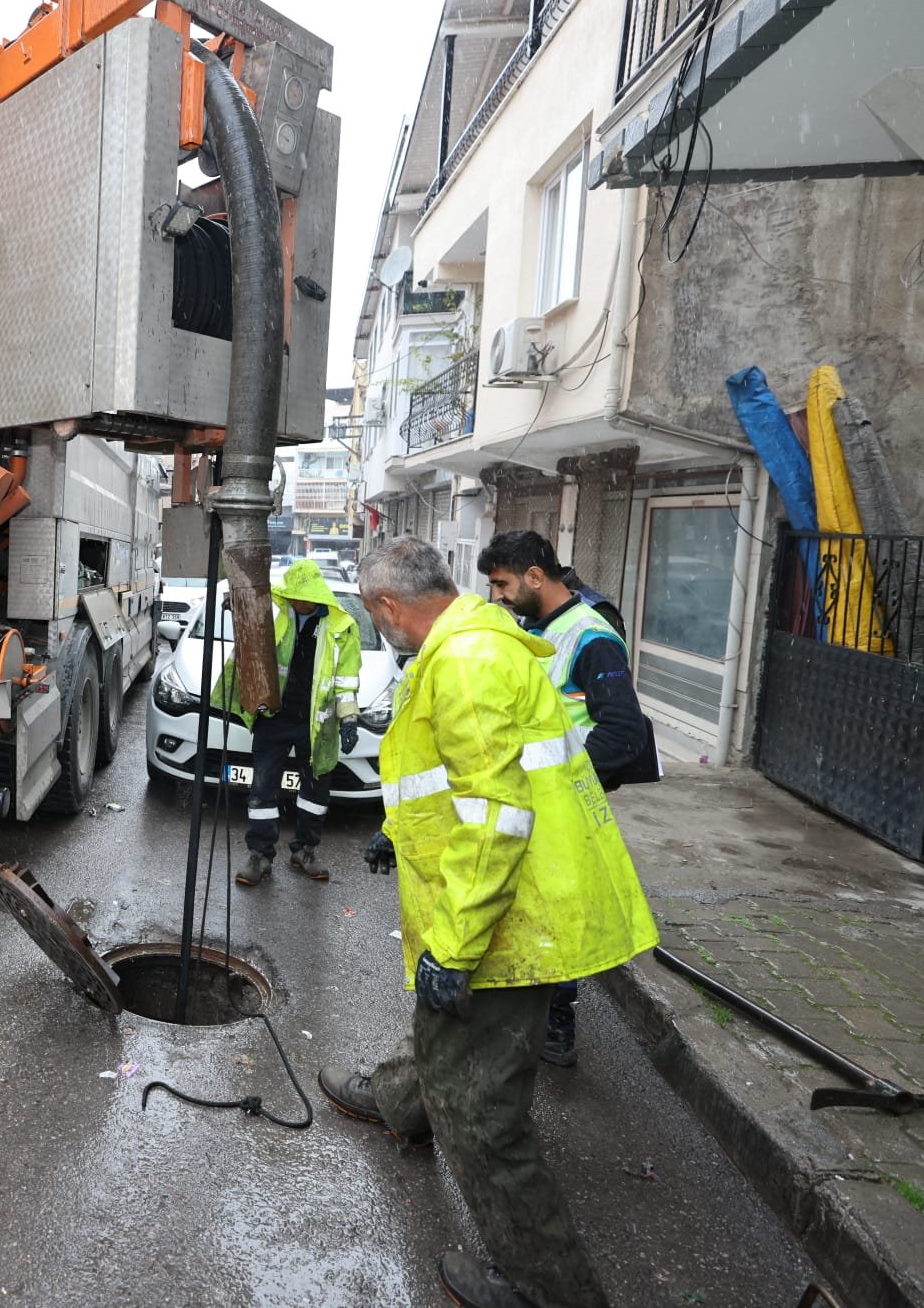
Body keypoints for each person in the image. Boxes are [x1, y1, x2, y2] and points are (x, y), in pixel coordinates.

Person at [317, 538, 659, 1308]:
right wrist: (395, 833)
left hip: (511, 914)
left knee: (481, 1110)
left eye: (378, 620)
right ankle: (403, 1101)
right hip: (510, 897)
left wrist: (458, 945)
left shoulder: (465, 664)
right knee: (445, 1038)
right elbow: (465, 782)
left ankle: (548, 1287)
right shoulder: (469, 645)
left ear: (385, 606)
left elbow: (497, 816)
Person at [479, 530, 658, 1066]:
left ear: (536, 576)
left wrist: (561, 782)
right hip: (530, 802)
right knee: (527, 912)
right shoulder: (534, 626)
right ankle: (523, 1017)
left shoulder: (589, 636)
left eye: (502, 584)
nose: (497, 597)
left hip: (562, 806)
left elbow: (623, 731)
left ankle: (556, 1027)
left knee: (553, 918)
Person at [212, 559, 362, 886]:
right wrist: (238, 610)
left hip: (317, 724)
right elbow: (250, 641)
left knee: (315, 789)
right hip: (274, 718)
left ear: (318, 595)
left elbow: (346, 680)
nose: (298, 602)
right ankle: (260, 855)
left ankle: (305, 850)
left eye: (303, 597)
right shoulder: (277, 614)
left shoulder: (342, 626)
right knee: (263, 787)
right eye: (293, 596)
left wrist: (349, 718)